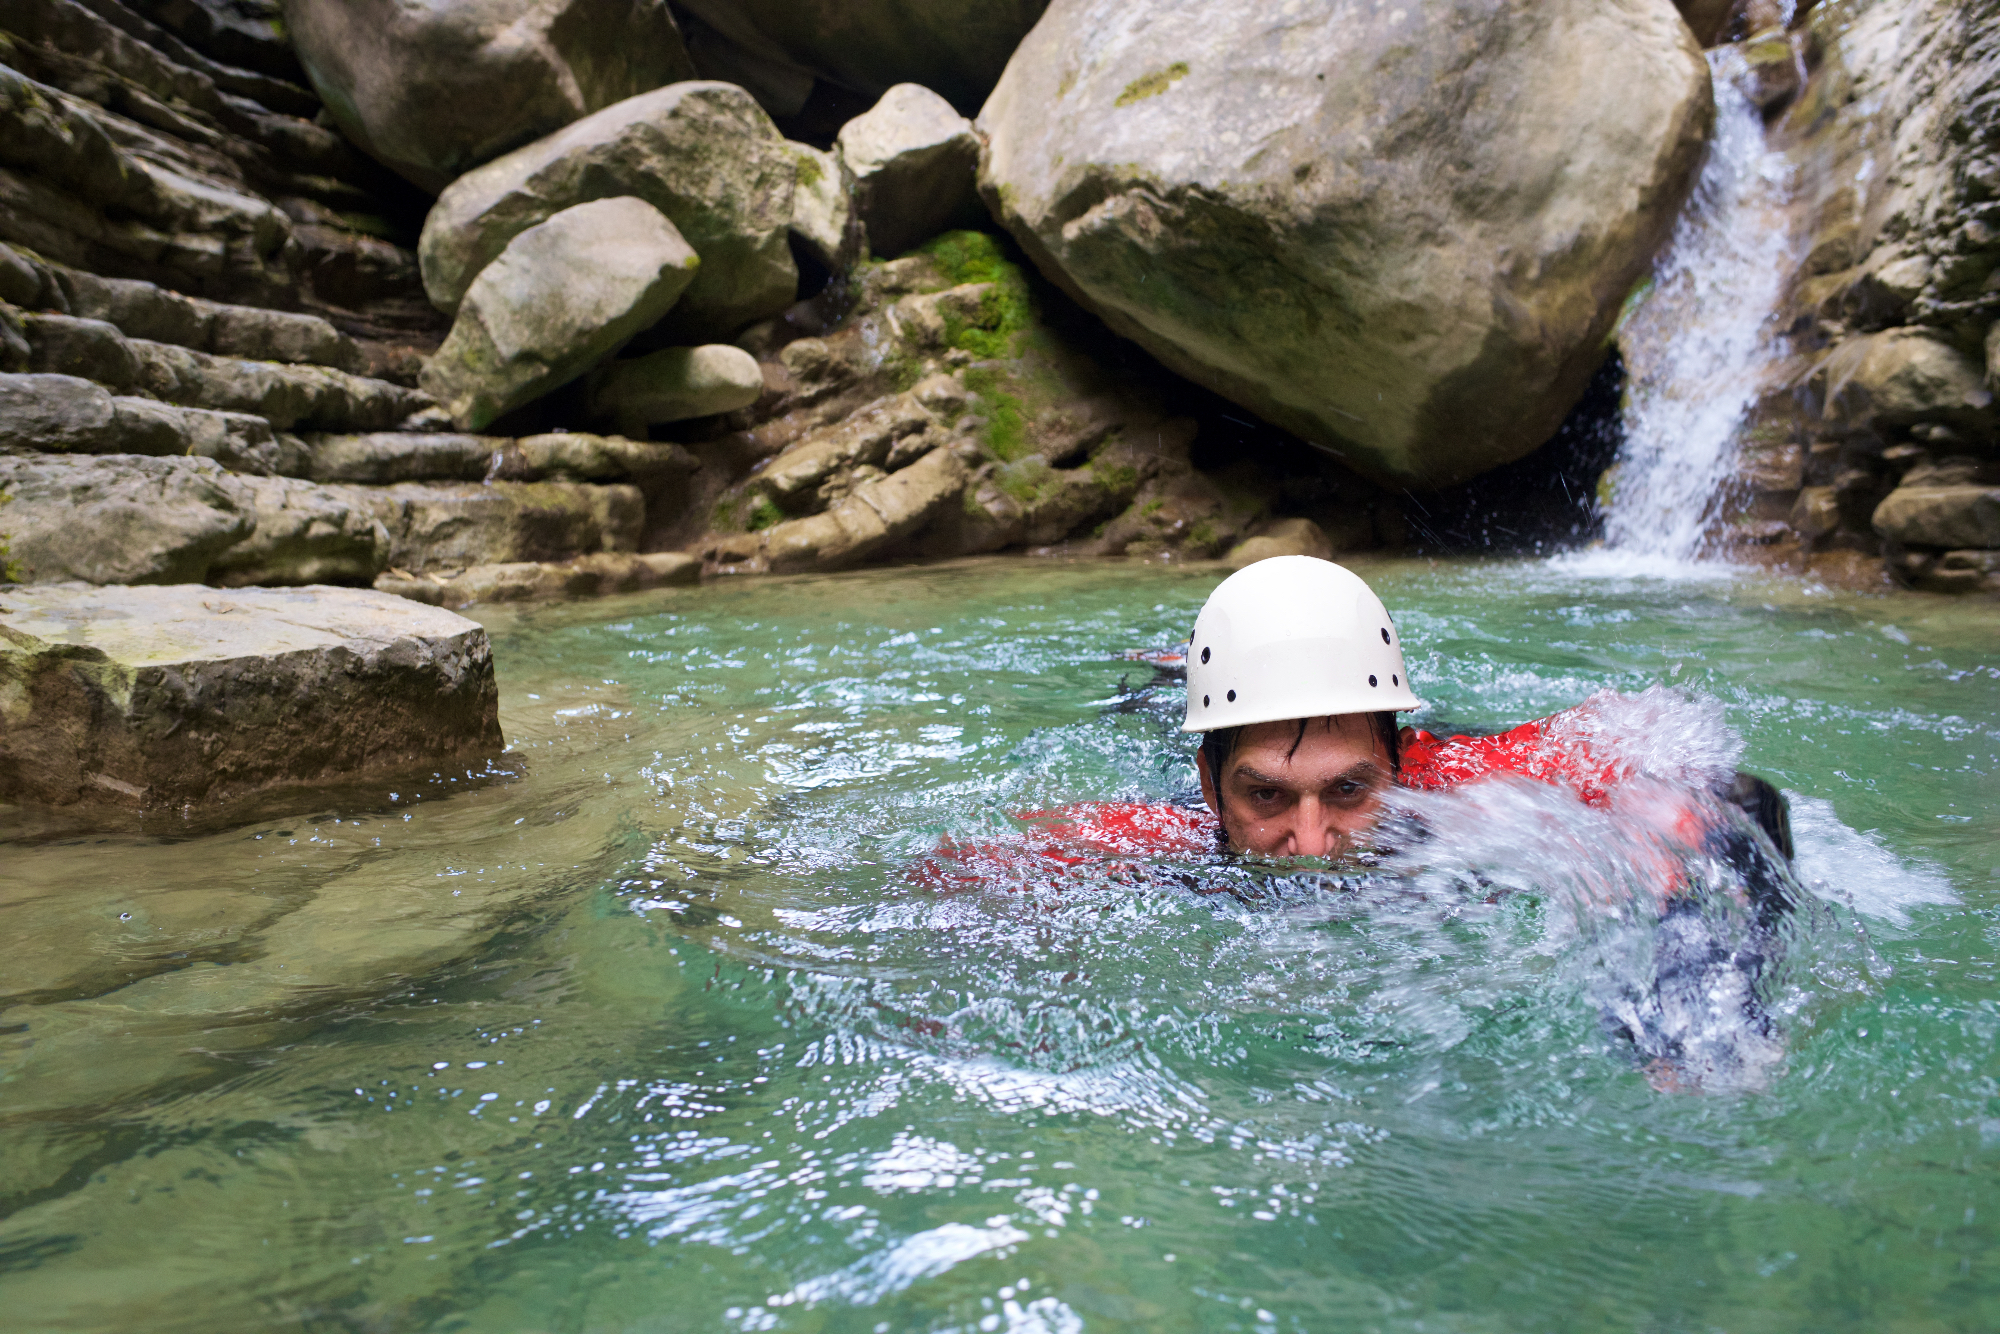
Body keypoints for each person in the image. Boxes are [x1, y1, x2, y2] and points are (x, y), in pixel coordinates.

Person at [924, 556, 1792, 904]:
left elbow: (1694, 770)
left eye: (1349, 790)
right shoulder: (1167, 833)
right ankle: (1169, 670)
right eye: (1264, 794)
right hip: (1193, 709)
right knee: (1155, 695)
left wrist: (1696, 934)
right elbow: (952, 877)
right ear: (1205, 789)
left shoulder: (1465, 780)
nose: (1308, 845)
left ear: (1401, 763)